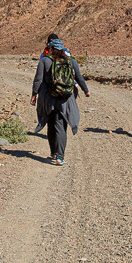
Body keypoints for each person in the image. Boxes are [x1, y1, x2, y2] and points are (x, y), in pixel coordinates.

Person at [31, 35, 90, 165]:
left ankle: (55, 153)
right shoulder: (71, 61)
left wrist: (34, 94)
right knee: (61, 124)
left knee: (51, 123)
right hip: (66, 98)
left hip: (48, 98)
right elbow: (79, 78)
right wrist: (86, 90)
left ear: (51, 49)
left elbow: (38, 80)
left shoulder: (45, 61)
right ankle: (59, 155)